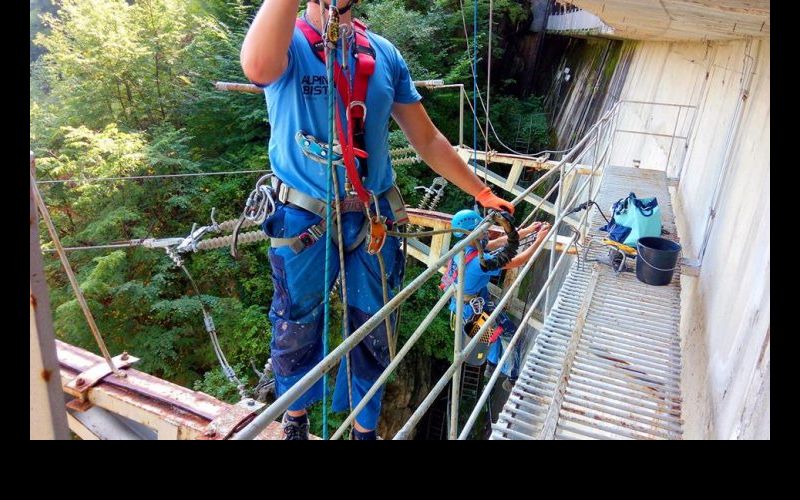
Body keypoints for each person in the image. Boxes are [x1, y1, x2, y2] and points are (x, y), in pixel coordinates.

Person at [240, 0, 514, 440]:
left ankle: (364, 428)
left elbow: (426, 136)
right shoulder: (287, 39)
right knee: (295, 326)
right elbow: (257, 66)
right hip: (304, 217)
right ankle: (295, 416)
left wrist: (479, 190)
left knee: (375, 330)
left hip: (375, 215)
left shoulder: (384, 53)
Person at [441, 209, 550, 375]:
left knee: (492, 332)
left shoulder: (461, 246)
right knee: (508, 333)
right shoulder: (479, 263)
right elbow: (518, 260)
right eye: (482, 230)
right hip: (472, 309)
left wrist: (527, 231)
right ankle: (512, 375)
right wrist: (540, 241)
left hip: (467, 303)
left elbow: (497, 243)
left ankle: (492, 365)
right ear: (472, 233)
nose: (486, 232)